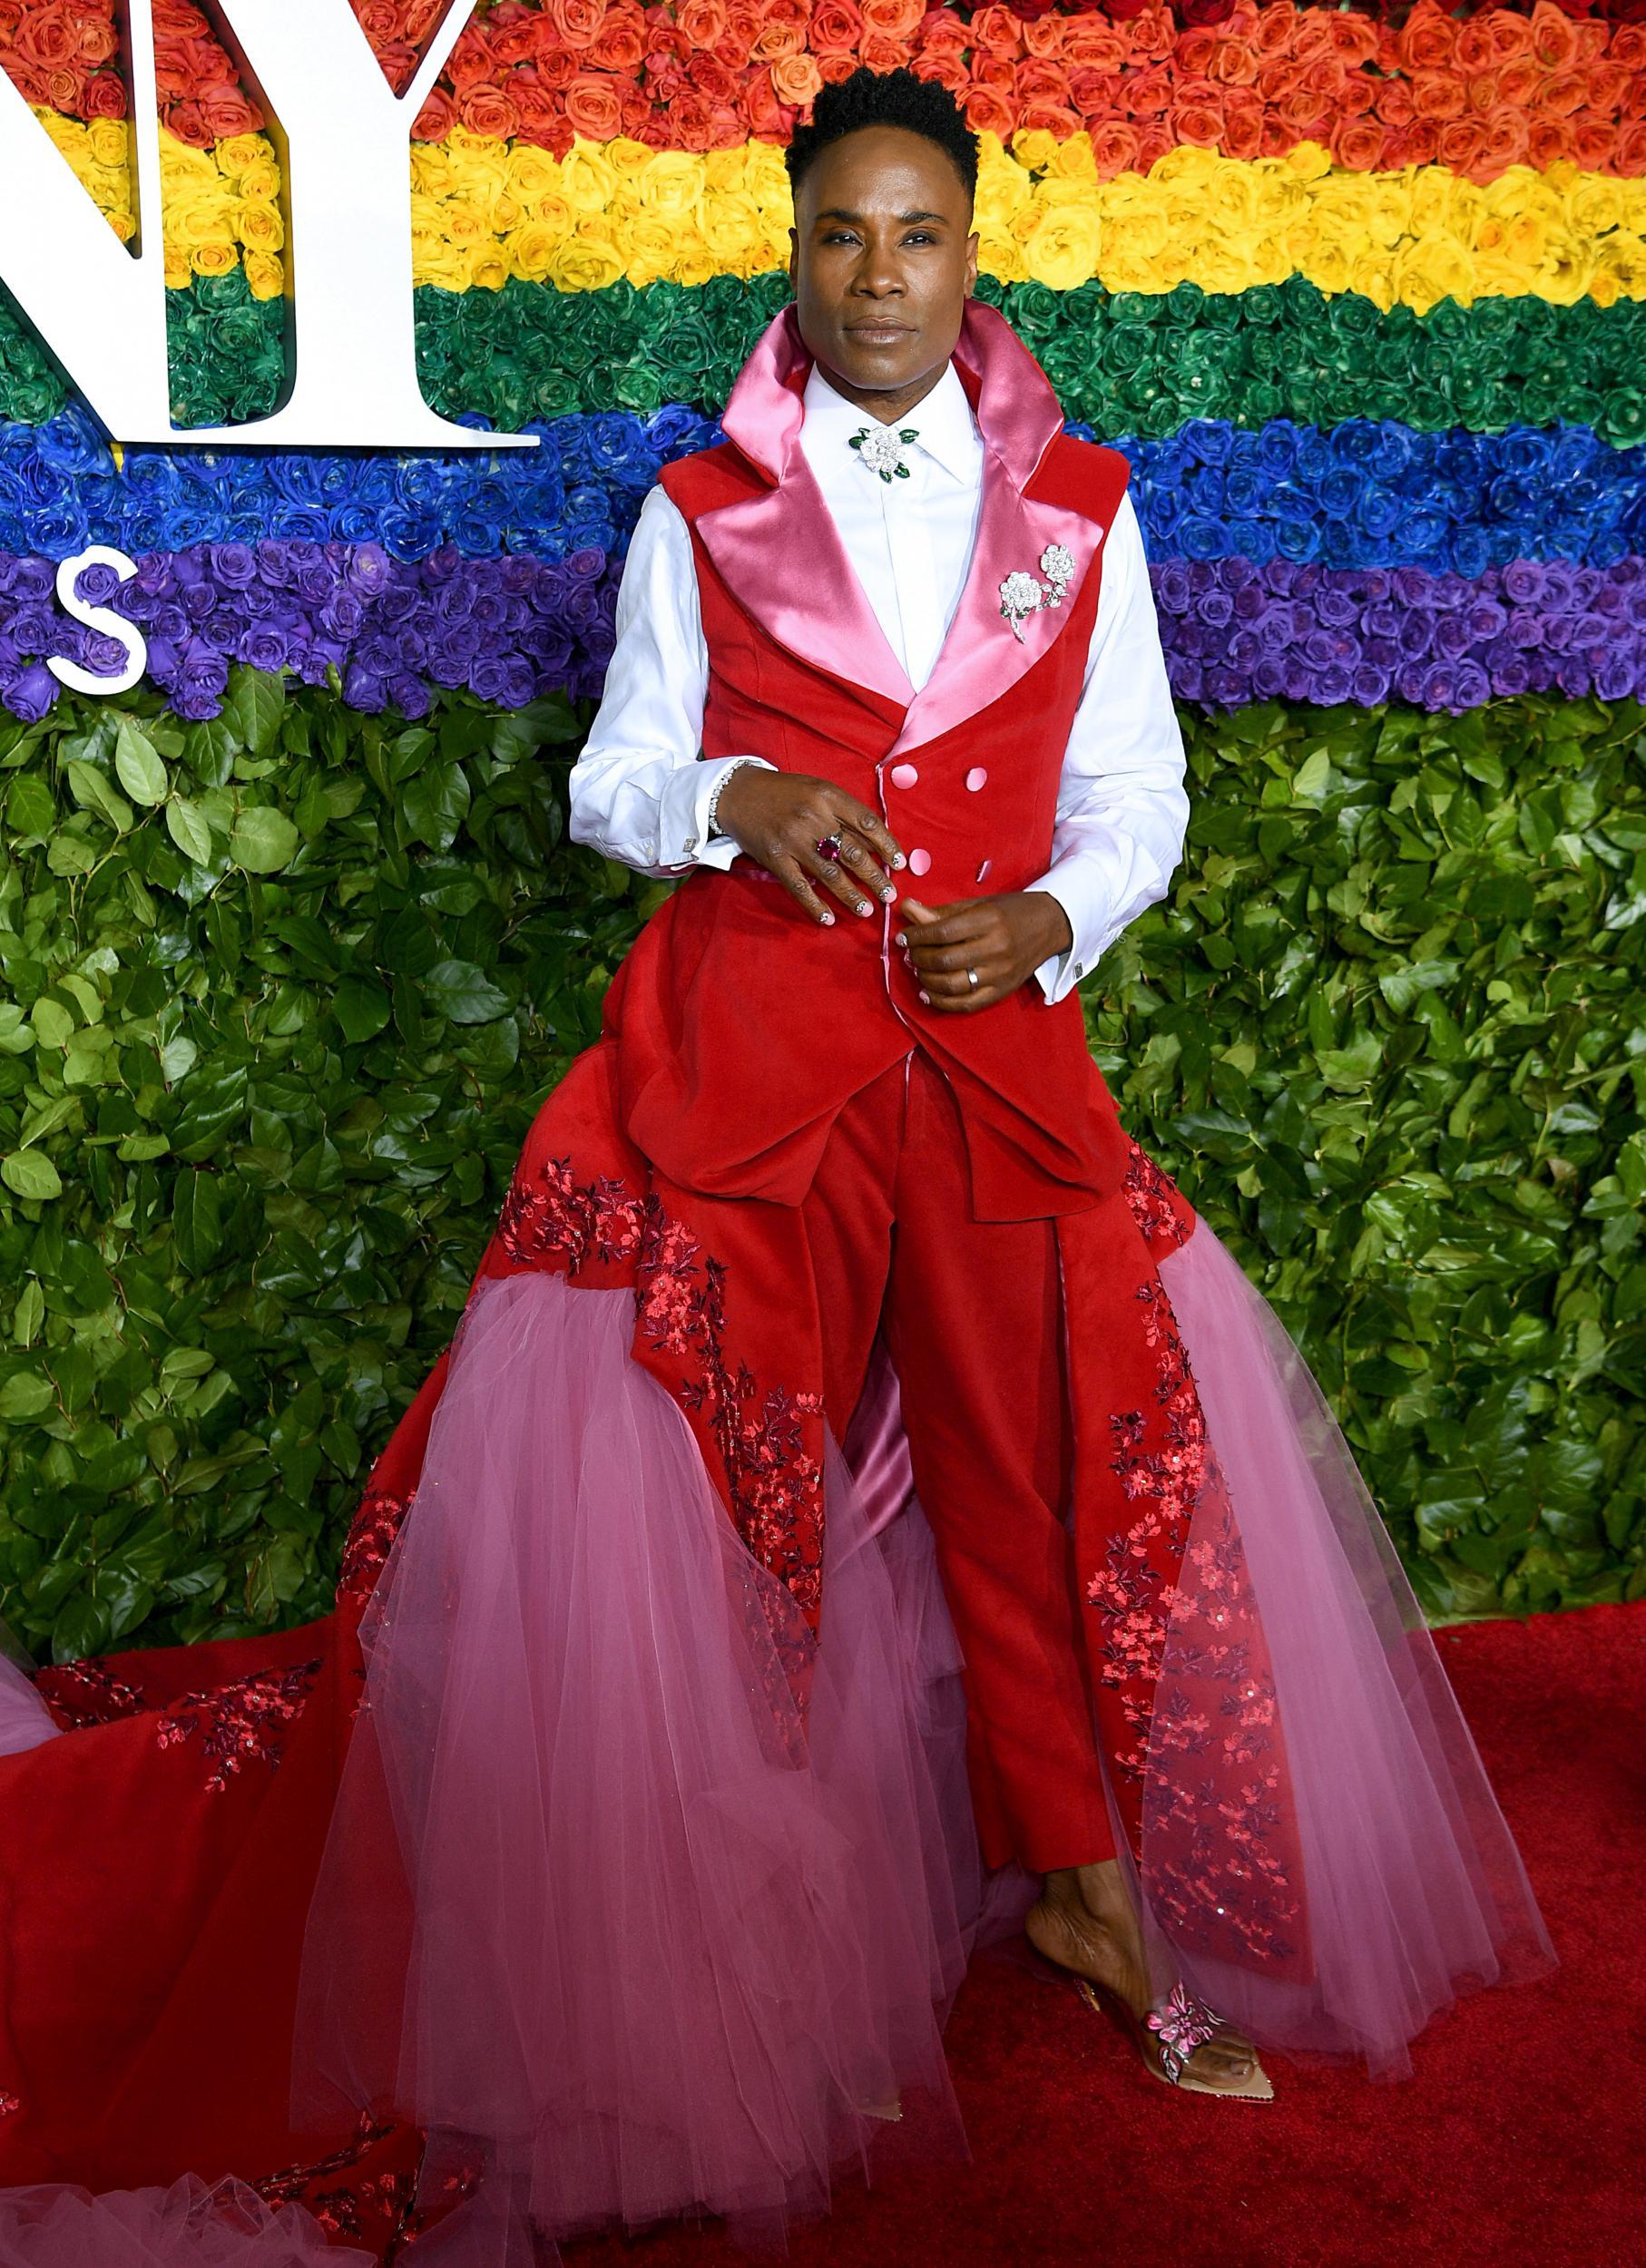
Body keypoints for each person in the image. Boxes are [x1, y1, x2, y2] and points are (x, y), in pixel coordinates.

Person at [0, 64, 1552, 2268]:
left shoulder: (1083, 515)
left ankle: (1091, 1898)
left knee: (1033, 1481)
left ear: (971, 256)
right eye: (841, 236)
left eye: (917, 234)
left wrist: (1056, 917)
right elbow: (613, 778)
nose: (879, 275)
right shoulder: (699, 513)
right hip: (745, 1078)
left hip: (997, 1069)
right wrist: (733, 790)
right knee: (736, 1518)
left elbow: (1143, 801)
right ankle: (751, 1967)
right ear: (793, 253)